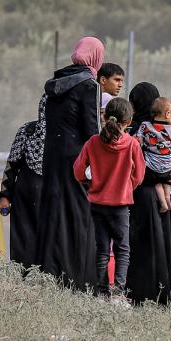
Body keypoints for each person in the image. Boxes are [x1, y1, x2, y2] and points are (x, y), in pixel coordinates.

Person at [37, 37, 103, 291]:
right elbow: (92, 129)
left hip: (52, 155)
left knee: (54, 213)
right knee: (78, 215)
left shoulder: (56, 83)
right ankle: (76, 277)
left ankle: (49, 273)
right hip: (77, 158)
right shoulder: (89, 84)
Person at [73, 97, 145, 298]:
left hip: (97, 203)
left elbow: (78, 171)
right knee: (122, 250)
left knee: (102, 249)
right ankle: (119, 293)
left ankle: (102, 291)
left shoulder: (93, 142)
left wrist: (91, 184)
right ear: (129, 121)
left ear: (104, 117)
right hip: (120, 205)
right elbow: (139, 175)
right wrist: (127, 186)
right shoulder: (132, 144)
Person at [124, 82, 171, 305]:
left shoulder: (133, 130)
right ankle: (158, 294)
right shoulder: (166, 128)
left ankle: (136, 294)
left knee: (137, 248)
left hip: (137, 197)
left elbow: (134, 166)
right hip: (160, 198)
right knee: (159, 247)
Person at [0, 96, 45, 268]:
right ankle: (22, 277)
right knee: (24, 238)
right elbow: (12, 165)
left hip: (54, 195)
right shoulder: (28, 130)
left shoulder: (67, 134)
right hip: (25, 195)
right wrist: (4, 196)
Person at [137, 97, 171, 214]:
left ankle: (163, 203)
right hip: (167, 166)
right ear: (167, 114)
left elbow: (138, 139)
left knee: (156, 182)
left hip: (152, 167)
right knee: (165, 181)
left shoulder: (146, 125)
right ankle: (168, 200)